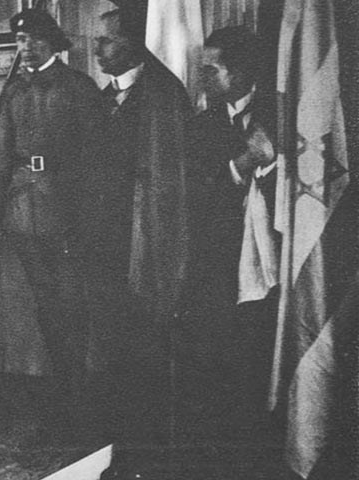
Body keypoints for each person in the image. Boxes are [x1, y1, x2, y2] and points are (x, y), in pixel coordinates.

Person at [0, 8, 119, 435]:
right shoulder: (13, 89)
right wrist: (1, 210)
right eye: (19, 41)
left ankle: (78, 395)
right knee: (44, 306)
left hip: (66, 213)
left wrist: (83, 218)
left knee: (71, 305)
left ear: (52, 42)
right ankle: (61, 389)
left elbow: (96, 160)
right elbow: (3, 153)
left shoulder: (78, 88)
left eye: (32, 40)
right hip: (23, 211)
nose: (25, 48)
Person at [94, 4, 193, 444]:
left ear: (138, 43)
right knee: (114, 340)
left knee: (148, 339)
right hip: (107, 244)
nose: (99, 47)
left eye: (109, 40)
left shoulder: (163, 96)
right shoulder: (101, 99)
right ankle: (123, 430)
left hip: (147, 242)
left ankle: (150, 437)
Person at [189, 26, 278, 434]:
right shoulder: (202, 124)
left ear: (240, 71)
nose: (202, 78)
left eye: (211, 70)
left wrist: (272, 164)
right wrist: (245, 163)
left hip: (276, 260)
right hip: (222, 260)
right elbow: (198, 191)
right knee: (226, 355)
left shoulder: (282, 113)